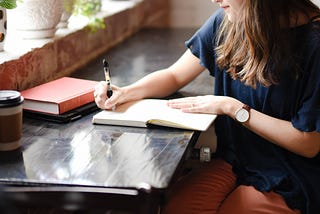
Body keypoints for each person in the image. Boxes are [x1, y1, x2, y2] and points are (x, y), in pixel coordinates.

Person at [94, 0, 320, 213]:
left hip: (294, 173)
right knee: (175, 208)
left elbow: (308, 143)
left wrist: (233, 108)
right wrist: (126, 92)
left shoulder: (315, 42)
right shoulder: (228, 21)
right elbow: (174, 75)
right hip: (236, 160)